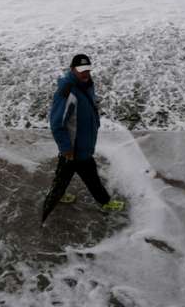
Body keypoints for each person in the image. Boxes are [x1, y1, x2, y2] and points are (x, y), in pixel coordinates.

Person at [41, 53, 124, 223]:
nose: (85, 73)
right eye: (81, 70)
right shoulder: (68, 92)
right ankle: (104, 202)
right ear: (72, 69)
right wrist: (66, 149)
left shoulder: (86, 85)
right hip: (75, 149)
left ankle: (58, 197)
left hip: (83, 145)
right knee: (90, 176)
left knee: (62, 178)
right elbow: (57, 124)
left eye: (87, 69)